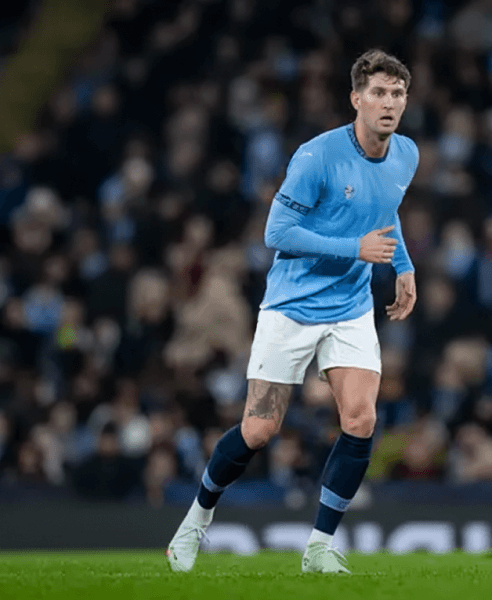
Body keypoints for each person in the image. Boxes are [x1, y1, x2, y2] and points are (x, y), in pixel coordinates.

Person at [166, 49, 418, 574]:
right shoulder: (316, 156)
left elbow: (385, 212)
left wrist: (404, 265)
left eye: (397, 93)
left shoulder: (407, 155)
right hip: (292, 305)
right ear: (356, 99)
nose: (389, 103)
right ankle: (195, 522)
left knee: (362, 417)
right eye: (378, 93)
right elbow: (275, 233)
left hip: (349, 308)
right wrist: (355, 250)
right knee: (259, 431)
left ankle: (319, 546)